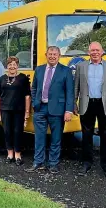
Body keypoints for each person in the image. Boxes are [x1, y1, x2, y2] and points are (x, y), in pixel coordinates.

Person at [74, 42, 106, 180]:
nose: (95, 52)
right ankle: (86, 163)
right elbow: (76, 87)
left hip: (104, 105)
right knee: (86, 135)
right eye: (92, 50)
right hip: (86, 104)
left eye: (97, 50)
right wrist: (73, 104)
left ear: (102, 52)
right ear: (88, 52)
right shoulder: (80, 67)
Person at [26, 46, 73, 174]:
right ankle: (38, 162)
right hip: (40, 108)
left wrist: (69, 110)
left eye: (55, 54)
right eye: (50, 54)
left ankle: (53, 164)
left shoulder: (66, 71)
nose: (52, 56)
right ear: (46, 55)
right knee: (39, 138)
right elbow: (34, 88)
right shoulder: (39, 69)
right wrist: (35, 103)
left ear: (59, 56)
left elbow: (70, 92)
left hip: (58, 109)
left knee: (56, 138)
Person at [0, 56, 31, 166]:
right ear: (7, 66)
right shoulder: (2, 79)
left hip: (19, 110)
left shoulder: (23, 78)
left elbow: (27, 97)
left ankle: (18, 155)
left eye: (14, 64)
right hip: (5, 110)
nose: (12, 66)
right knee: (7, 132)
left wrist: (27, 112)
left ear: (18, 66)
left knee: (17, 132)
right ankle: (9, 154)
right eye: (10, 64)